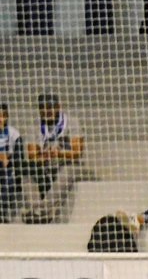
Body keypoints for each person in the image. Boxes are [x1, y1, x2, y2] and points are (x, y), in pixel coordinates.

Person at [21, 92, 86, 224]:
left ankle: (41, 210)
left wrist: (59, 153)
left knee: (67, 172)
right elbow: (32, 155)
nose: (47, 111)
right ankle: (37, 210)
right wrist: (44, 156)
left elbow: (77, 152)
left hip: (67, 164)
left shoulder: (71, 122)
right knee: (26, 174)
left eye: (50, 107)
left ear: (58, 107)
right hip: (46, 165)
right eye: (43, 107)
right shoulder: (35, 126)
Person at [0, 103, 24, 222]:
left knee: (8, 180)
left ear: (7, 116)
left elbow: (19, 155)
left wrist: (8, 159)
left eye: (2, 116)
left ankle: (3, 213)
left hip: (8, 167)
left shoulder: (14, 133)